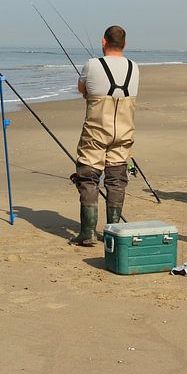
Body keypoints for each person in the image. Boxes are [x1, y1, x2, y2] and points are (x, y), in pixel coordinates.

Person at [69, 25, 140, 246]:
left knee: (88, 176)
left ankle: (88, 233)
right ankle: (113, 230)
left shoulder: (92, 65)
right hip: (124, 130)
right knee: (117, 178)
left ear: (103, 42)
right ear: (125, 44)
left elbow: (82, 90)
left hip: (96, 130)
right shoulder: (134, 67)